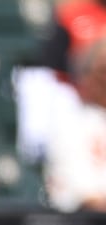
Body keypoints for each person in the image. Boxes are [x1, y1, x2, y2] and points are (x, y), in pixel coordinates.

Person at [45, 38, 106, 212]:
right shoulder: (69, 122)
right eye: (103, 72)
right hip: (86, 222)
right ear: (85, 78)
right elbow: (84, 195)